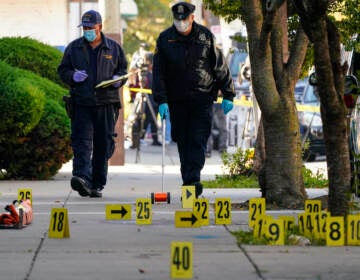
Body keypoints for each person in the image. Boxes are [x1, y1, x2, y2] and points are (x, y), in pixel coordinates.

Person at [152, 2, 235, 197]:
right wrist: (161, 100)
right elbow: (158, 73)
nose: (180, 23)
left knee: (197, 139)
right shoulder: (165, 39)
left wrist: (228, 93)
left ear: (192, 18)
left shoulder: (205, 37)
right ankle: (188, 179)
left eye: (184, 19)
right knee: (182, 140)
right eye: (177, 19)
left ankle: (193, 180)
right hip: (176, 100)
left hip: (202, 98)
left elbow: (219, 66)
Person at [58, 10, 128, 198]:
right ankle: (82, 177)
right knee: (82, 143)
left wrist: (118, 80)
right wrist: (73, 76)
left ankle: (96, 183)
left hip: (106, 103)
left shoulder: (113, 48)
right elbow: (63, 70)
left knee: (102, 144)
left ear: (100, 27)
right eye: (85, 28)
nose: (88, 31)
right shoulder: (74, 48)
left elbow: (123, 70)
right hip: (82, 102)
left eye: (91, 28)